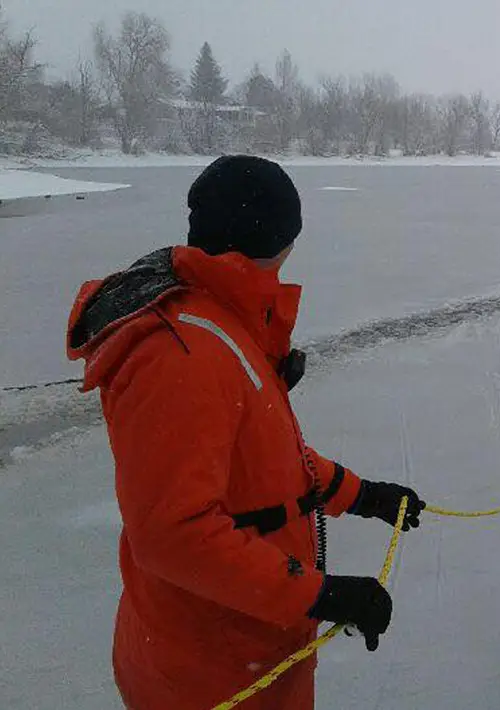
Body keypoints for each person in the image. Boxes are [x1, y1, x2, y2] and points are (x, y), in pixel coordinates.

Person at [65, 155, 428, 709]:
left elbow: (265, 464)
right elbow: (173, 536)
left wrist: (364, 496)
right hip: (210, 674)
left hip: (247, 651)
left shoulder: (224, 321)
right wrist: (320, 594)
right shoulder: (184, 353)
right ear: (277, 239)